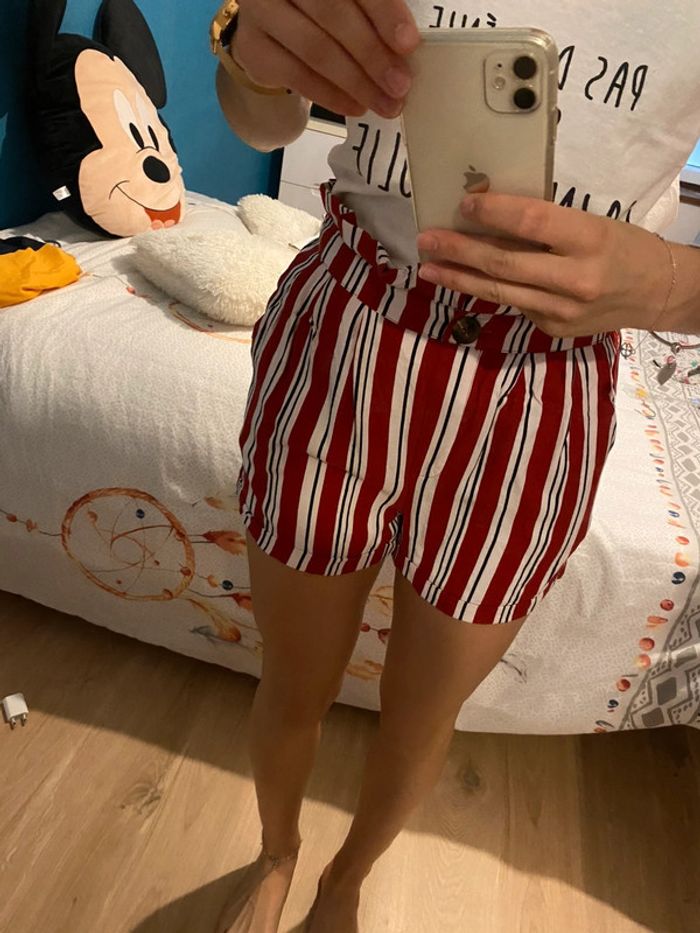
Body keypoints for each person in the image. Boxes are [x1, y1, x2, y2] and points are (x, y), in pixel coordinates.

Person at [213, 2, 700, 930]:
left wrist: (674, 285)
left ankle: (344, 883)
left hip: (542, 382)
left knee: (422, 714)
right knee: (292, 680)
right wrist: (247, 48)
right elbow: (262, 120)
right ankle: (277, 852)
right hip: (346, 333)